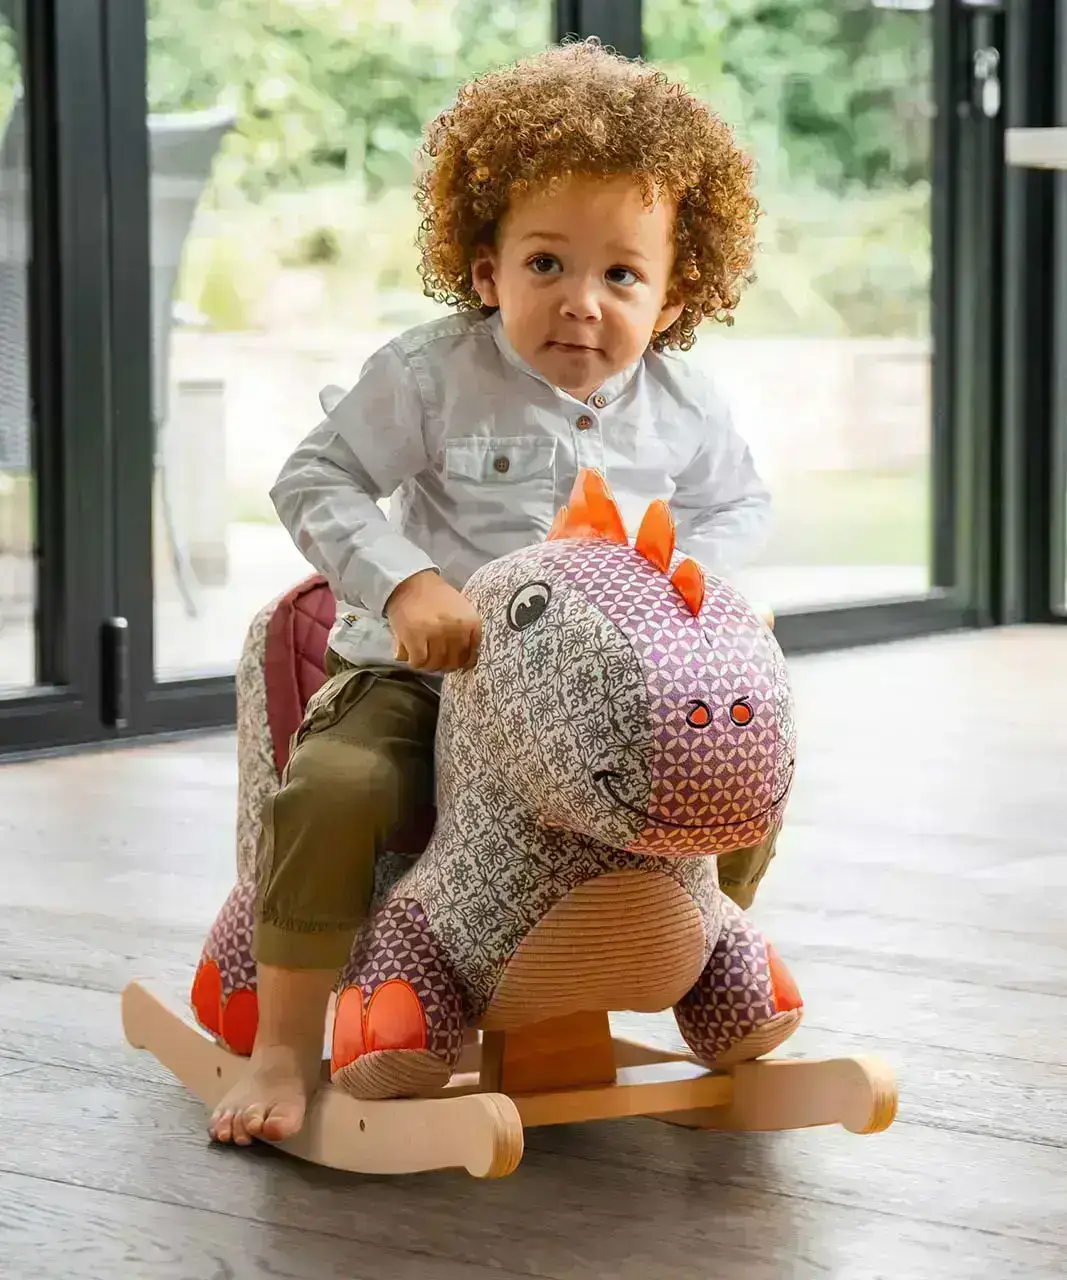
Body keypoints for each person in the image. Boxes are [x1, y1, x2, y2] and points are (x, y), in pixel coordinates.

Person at [210, 37, 779, 1147]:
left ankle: (705, 953)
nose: (581, 303)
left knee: (738, 758)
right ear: (485, 272)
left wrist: (696, 592)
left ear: (671, 298)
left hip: (601, 697)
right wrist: (409, 581)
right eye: (544, 264)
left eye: (620, 274)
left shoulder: (683, 405)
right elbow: (313, 476)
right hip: (426, 673)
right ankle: (282, 1040)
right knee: (331, 786)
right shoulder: (429, 376)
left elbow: (738, 505)